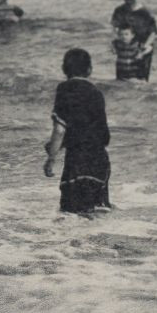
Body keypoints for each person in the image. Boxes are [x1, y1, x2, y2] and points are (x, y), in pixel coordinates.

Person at [44, 48, 111, 214]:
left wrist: (51, 158)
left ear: (64, 69)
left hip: (77, 162)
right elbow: (98, 131)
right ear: (89, 70)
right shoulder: (96, 93)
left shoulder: (65, 89)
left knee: (70, 215)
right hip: (100, 160)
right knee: (97, 212)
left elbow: (60, 130)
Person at [110, 0, 157, 80]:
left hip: (141, 51)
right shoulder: (119, 10)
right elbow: (114, 28)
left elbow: (153, 32)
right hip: (125, 50)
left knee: (140, 81)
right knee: (121, 79)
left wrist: (144, 48)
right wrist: (114, 44)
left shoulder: (144, 12)